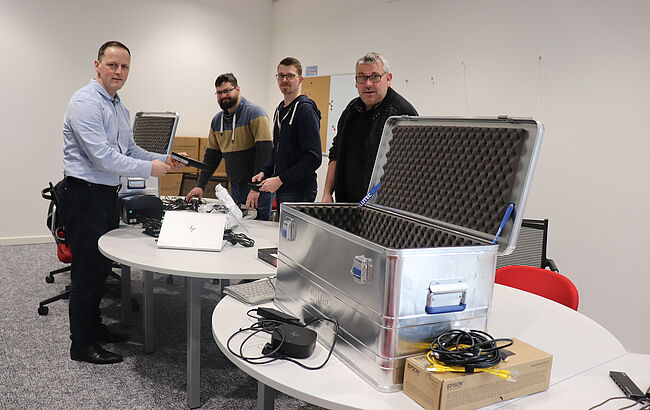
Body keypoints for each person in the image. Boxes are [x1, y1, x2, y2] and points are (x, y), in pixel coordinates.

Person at [59, 41, 183, 364]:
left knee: (101, 269)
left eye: (125, 67)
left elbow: (129, 150)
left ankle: (94, 327)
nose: (119, 71)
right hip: (84, 195)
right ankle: (81, 345)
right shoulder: (85, 103)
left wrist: (163, 159)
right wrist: (149, 169)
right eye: (112, 65)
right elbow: (103, 158)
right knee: (86, 273)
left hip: (105, 197)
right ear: (96, 65)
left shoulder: (118, 106)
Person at [322, 52, 418, 203]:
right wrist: (327, 193)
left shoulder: (402, 114)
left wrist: (368, 200)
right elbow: (336, 152)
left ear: (388, 79)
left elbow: (405, 169)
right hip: (347, 207)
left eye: (374, 76)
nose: (368, 84)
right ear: (356, 81)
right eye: (362, 77)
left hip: (383, 209)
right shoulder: (351, 110)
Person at [185, 73, 273, 220]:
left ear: (237, 89)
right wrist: (200, 185)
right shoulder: (217, 121)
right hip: (236, 187)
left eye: (227, 91)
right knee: (238, 230)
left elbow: (265, 154)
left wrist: (256, 188)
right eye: (219, 92)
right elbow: (211, 158)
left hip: (258, 189)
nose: (223, 96)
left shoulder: (255, 114)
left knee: (259, 233)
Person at [253, 57, 322, 205]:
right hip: (283, 188)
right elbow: (277, 150)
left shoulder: (305, 110)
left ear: (300, 79)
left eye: (290, 76)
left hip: (300, 191)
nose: (284, 80)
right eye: (281, 75)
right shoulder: (280, 109)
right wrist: (265, 172)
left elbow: (314, 158)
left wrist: (280, 179)